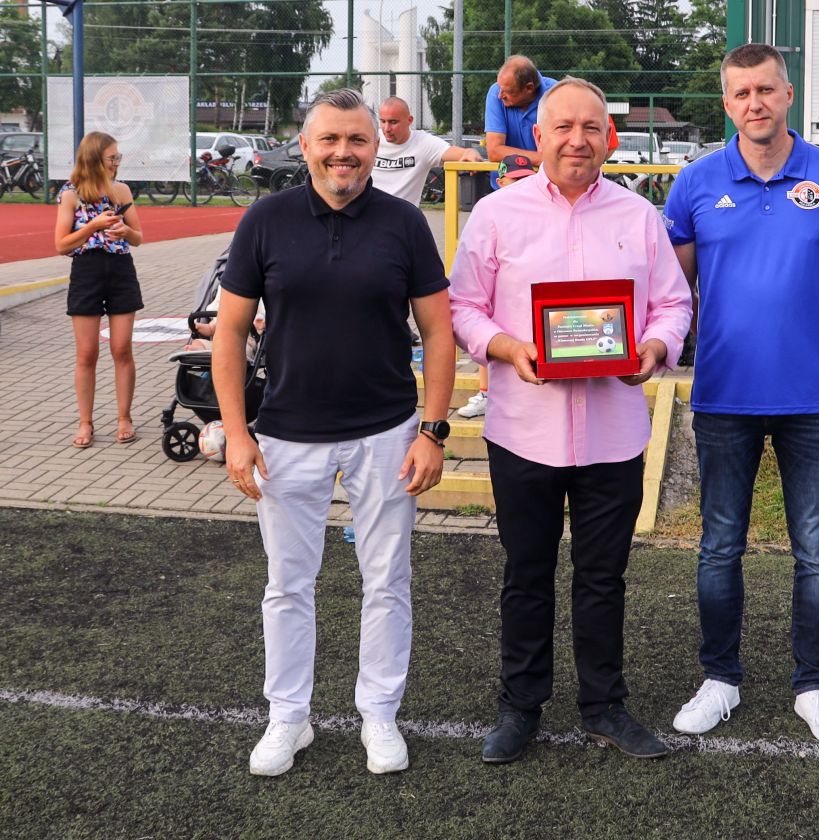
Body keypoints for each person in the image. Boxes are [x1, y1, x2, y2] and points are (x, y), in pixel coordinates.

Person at [211, 88, 456, 777]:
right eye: (330, 140)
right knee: (288, 584)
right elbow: (229, 332)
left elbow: (439, 332)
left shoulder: (405, 223)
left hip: (387, 431)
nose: (343, 153)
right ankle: (289, 717)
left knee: (387, 581)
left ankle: (379, 714)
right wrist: (236, 433)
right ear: (306, 146)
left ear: (376, 147)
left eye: (356, 140)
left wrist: (433, 430)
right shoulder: (266, 220)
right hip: (287, 434)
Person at [450, 76, 692, 764]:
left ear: (608, 138)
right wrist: (507, 348)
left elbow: (673, 304)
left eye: (591, 127)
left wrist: (654, 349)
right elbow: (464, 306)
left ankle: (604, 705)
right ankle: (520, 706)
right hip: (523, 430)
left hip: (614, 432)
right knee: (526, 573)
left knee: (603, 576)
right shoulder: (496, 214)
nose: (577, 140)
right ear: (538, 136)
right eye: (563, 127)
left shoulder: (639, 216)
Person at [661, 43, 819, 748]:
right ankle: (719, 679)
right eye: (740, 93)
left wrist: (812, 329)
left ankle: (814, 686)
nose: (754, 103)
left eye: (765, 89)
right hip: (723, 396)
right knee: (719, 546)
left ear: (788, 94)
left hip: (810, 398)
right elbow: (676, 291)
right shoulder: (695, 183)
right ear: (727, 103)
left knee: (816, 551)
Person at [54, 131, 144, 448]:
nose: (117, 162)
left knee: (121, 349)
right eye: (112, 157)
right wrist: (93, 226)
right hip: (86, 272)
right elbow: (61, 244)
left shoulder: (121, 190)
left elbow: (139, 237)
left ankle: (124, 418)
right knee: (87, 353)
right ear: (94, 159)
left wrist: (124, 231)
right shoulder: (71, 193)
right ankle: (85, 422)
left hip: (120, 270)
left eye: (118, 156)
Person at [456, 153, 538, 420]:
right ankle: (485, 392)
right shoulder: (490, 211)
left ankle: (487, 392)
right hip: (495, 296)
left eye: (526, 179)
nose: (521, 185)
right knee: (488, 332)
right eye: (515, 180)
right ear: (500, 181)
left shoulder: (539, 213)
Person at [374, 96, 481, 205]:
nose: (386, 128)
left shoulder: (423, 143)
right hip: (368, 212)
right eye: (383, 121)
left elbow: (464, 153)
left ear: (409, 120)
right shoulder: (371, 138)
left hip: (402, 214)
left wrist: (470, 153)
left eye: (393, 122)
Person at [484, 55, 557, 170]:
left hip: (547, 180)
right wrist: (541, 159)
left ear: (529, 88)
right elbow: (494, 151)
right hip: (505, 180)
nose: (500, 95)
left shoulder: (557, 94)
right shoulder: (495, 93)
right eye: (500, 88)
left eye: (508, 92)